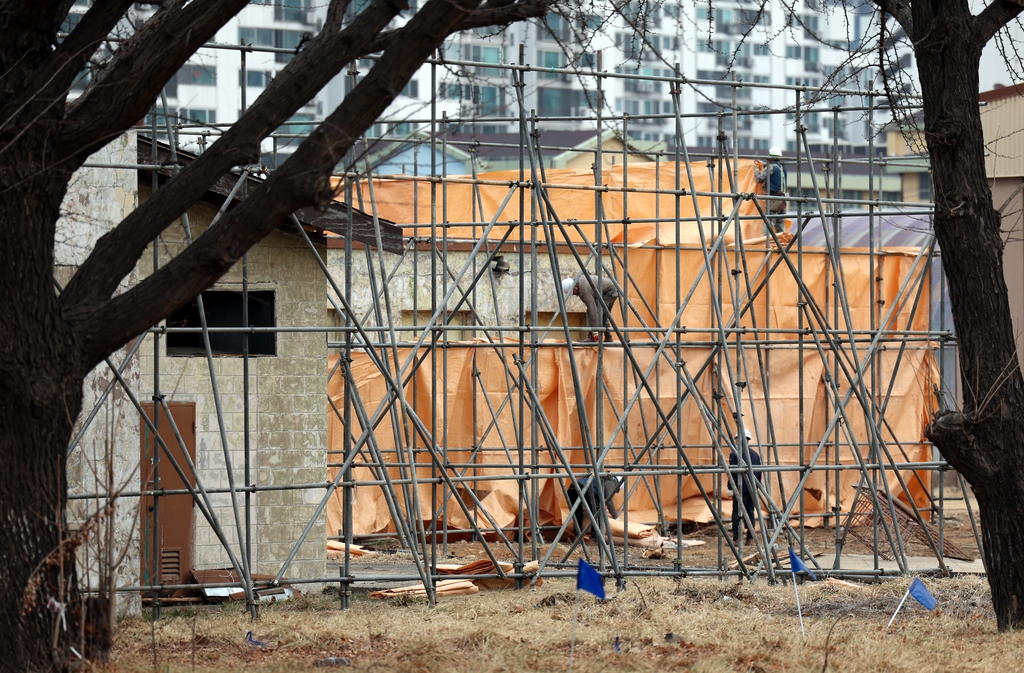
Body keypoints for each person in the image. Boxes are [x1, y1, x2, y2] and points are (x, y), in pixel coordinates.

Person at [561, 272, 619, 342]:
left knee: (595, 312)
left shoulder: (584, 291)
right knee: (604, 314)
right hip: (612, 289)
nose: (574, 294)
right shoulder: (579, 278)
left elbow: (593, 310)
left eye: (573, 292)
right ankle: (608, 337)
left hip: (609, 292)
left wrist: (594, 331)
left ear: (575, 287)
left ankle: (594, 337)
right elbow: (587, 272)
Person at [728, 428, 762, 544]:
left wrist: (730, 487)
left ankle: (737, 539)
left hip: (740, 488)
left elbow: (732, 472)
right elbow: (759, 473)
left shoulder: (734, 454)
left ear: (738, 439)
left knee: (737, 513)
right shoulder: (755, 454)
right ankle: (750, 538)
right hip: (752, 488)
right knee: (750, 511)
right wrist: (756, 487)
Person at [755, 147, 787, 233]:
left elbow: (759, 179)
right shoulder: (782, 167)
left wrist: (756, 171)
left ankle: (767, 242)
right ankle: (782, 242)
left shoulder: (771, 167)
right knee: (780, 223)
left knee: (768, 222)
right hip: (783, 199)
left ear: (771, 157)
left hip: (774, 199)